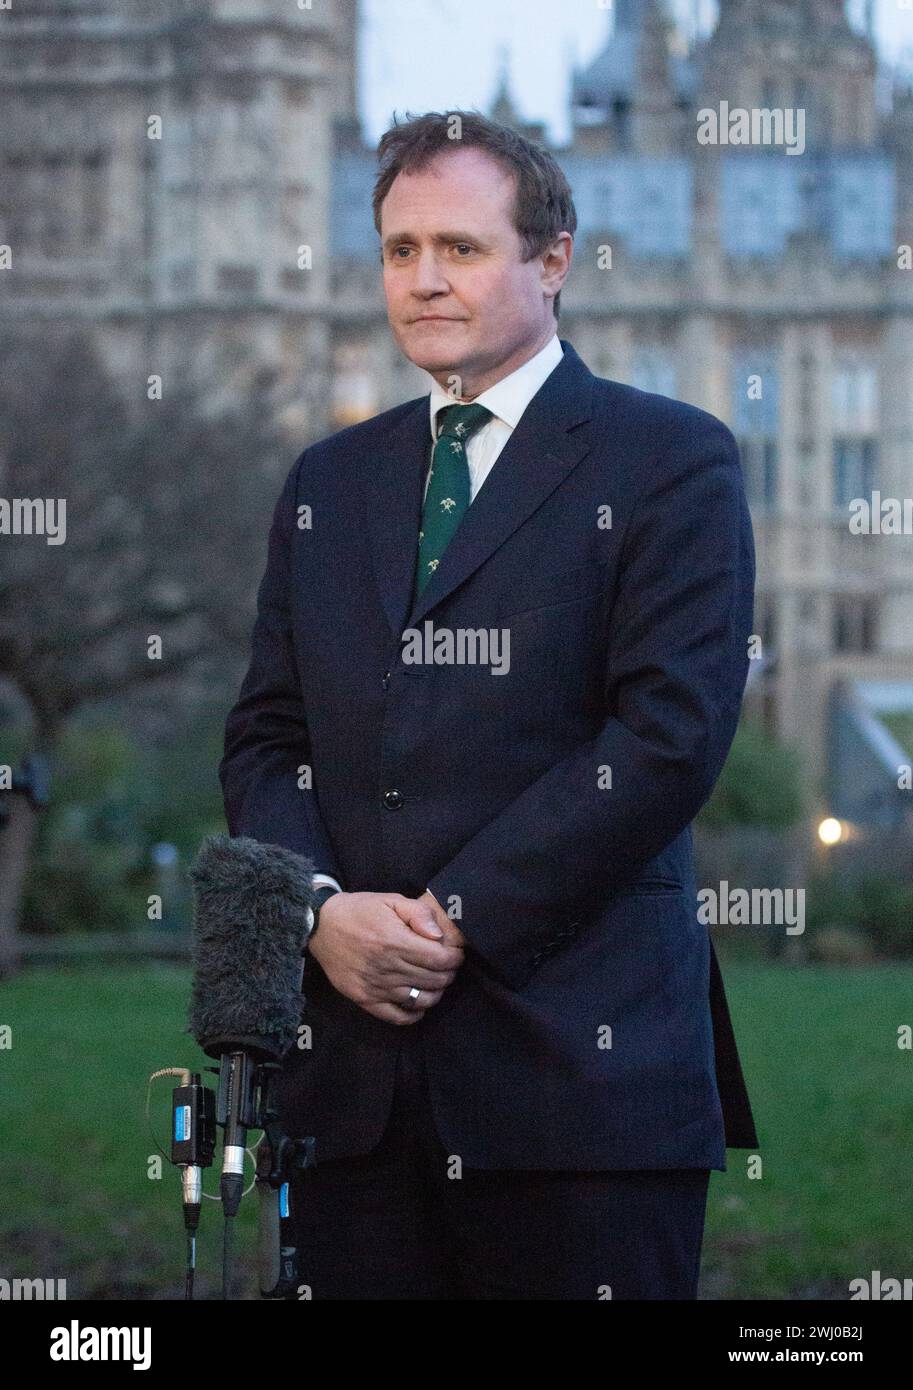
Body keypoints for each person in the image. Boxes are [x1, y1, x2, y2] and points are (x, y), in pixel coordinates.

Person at [218, 109, 758, 1300]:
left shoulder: (669, 458)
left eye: (459, 248)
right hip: (353, 1101)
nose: (423, 281)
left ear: (551, 259)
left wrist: (446, 920)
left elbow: (666, 739)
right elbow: (267, 736)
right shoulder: (329, 479)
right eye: (400, 250)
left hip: (579, 1091)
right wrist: (318, 909)